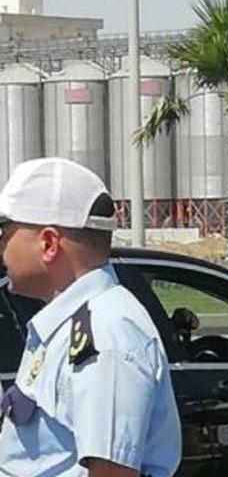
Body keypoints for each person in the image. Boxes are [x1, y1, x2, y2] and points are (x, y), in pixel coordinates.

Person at [0, 158, 181, 477]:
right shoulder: (68, 324)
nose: (1, 247)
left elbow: (111, 473)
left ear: (48, 244)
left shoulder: (107, 330)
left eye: (5, 231)